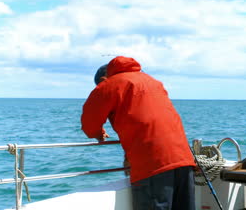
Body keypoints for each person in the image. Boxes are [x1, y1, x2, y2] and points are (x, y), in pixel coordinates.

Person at [81, 56, 196, 210]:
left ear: (103, 79)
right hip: (184, 160)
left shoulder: (109, 85)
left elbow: (89, 124)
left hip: (153, 165)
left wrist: (98, 133)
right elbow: (146, 121)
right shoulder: (153, 82)